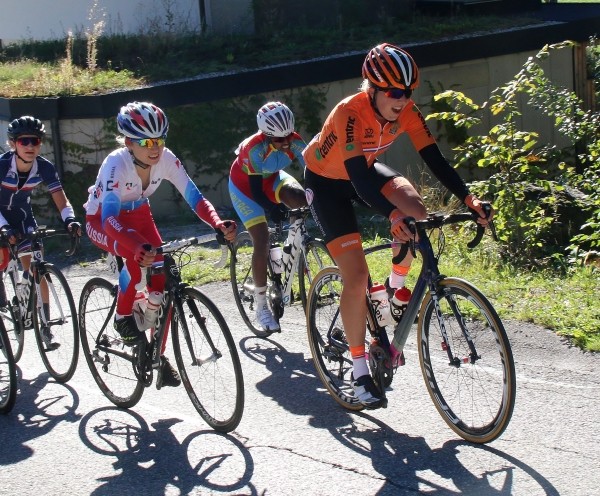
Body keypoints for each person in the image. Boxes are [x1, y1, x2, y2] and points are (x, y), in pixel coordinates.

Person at [303, 43, 492, 408]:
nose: (402, 99)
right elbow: (358, 180)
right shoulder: (351, 113)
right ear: (371, 88)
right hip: (328, 184)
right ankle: (359, 373)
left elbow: (434, 159)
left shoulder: (406, 110)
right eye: (394, 92)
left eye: (407, 92)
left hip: (363, 172)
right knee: (356, 277)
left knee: (415, 210)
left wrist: (469, 200)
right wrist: (391, 215)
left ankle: (394, 289)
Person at [84, 101, 237, 387]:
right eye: (147, 141)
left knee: (163, 279)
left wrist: (217, 223)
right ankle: (122, 316)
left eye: (160, 139)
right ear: (129, 142)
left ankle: (157, 353)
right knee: (136, 255)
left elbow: (194, 197)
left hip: (139, 214)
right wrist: (136, 246)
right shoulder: (116, 164)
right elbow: (108, 220)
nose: (156, 147)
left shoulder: (165, 158)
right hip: (103, 220)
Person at [228, 101, 308, 332]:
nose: (285, 144)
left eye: (288, 137)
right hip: (245, 189)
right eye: (278, 140)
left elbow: (312, 170)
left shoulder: (294, 140)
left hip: (272, 178)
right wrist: (272, 208)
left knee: (301, 198)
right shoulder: (253, 149)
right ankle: (261, 307)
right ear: (265, 135)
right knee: (261, 240)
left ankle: (294, 246)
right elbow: (256, 192)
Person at [0, 116, 82, 331]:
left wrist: (70, 219)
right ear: (12, 143)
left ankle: (45, 323)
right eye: (23, 141)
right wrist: (3, 227)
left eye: (34, 141)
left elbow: (60, 198)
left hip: (22, 217)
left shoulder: (44, 167)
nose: (29, 146)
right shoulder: (1, 166)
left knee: (37, 266)